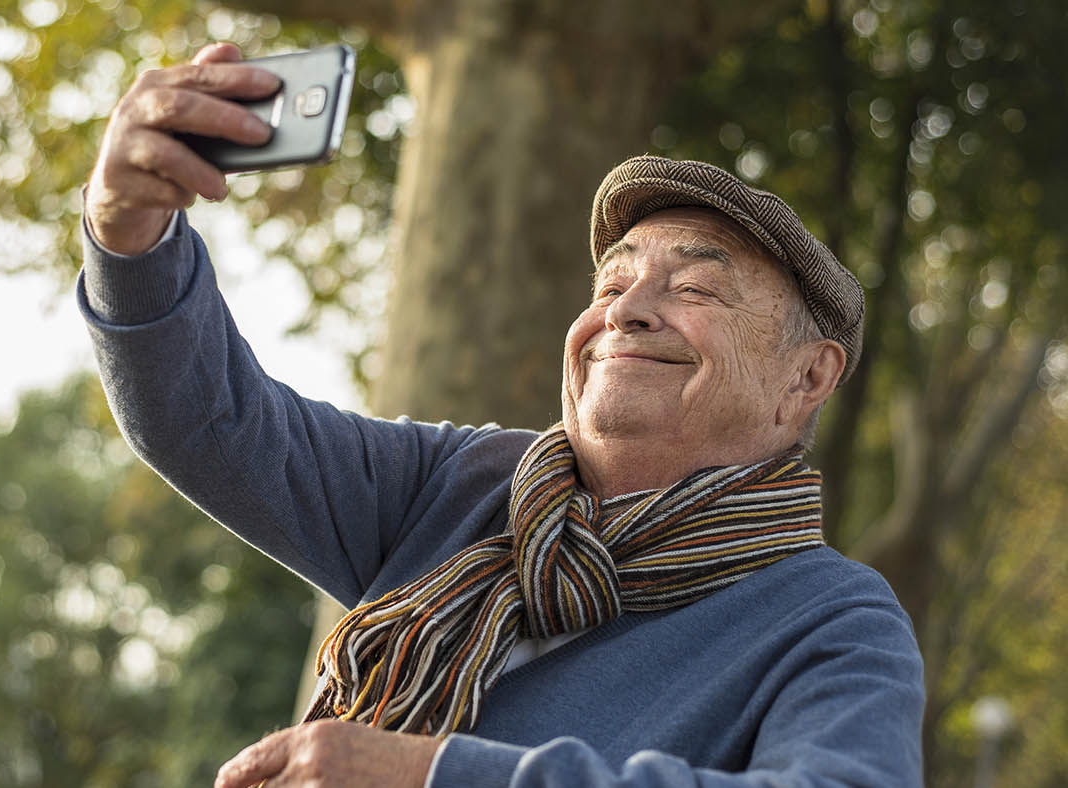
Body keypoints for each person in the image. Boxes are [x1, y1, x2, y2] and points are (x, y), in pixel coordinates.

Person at [79, 42, 924, 788]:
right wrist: (129, 234)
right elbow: (210, 424)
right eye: (611, 284)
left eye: (695, 288)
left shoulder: (836, 620)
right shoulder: (460, 482)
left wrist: (435, 776)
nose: (627, 312)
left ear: (808, 378)